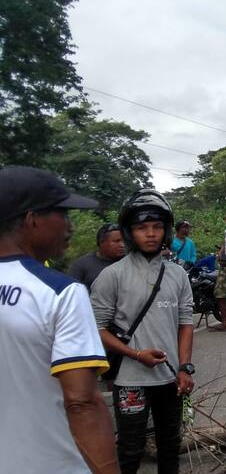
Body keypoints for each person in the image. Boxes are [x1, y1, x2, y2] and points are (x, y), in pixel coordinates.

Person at [0, 166, 118, 474]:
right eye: (63, 214)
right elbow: (82, 401)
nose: (70, 226)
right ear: (32, 219)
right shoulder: (60, 293)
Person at [90, 189, 194, 474]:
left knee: (170, 446)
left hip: (170, 378)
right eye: (141, 228)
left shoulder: (178, 275)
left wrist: (185, 368)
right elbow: (97, 329)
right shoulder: (112, 276)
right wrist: (136, 354)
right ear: (129, 232)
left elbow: (186, 323)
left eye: (157, 227)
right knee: (130, 449)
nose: (150, 234)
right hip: (130, 380)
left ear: (166, 231)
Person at [68, 222, 126, 291]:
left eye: (124, 241)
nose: (122, 245)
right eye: (117, 241)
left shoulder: (130, 262)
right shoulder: (83, 264)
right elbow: (71, 291)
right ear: (102, 242)